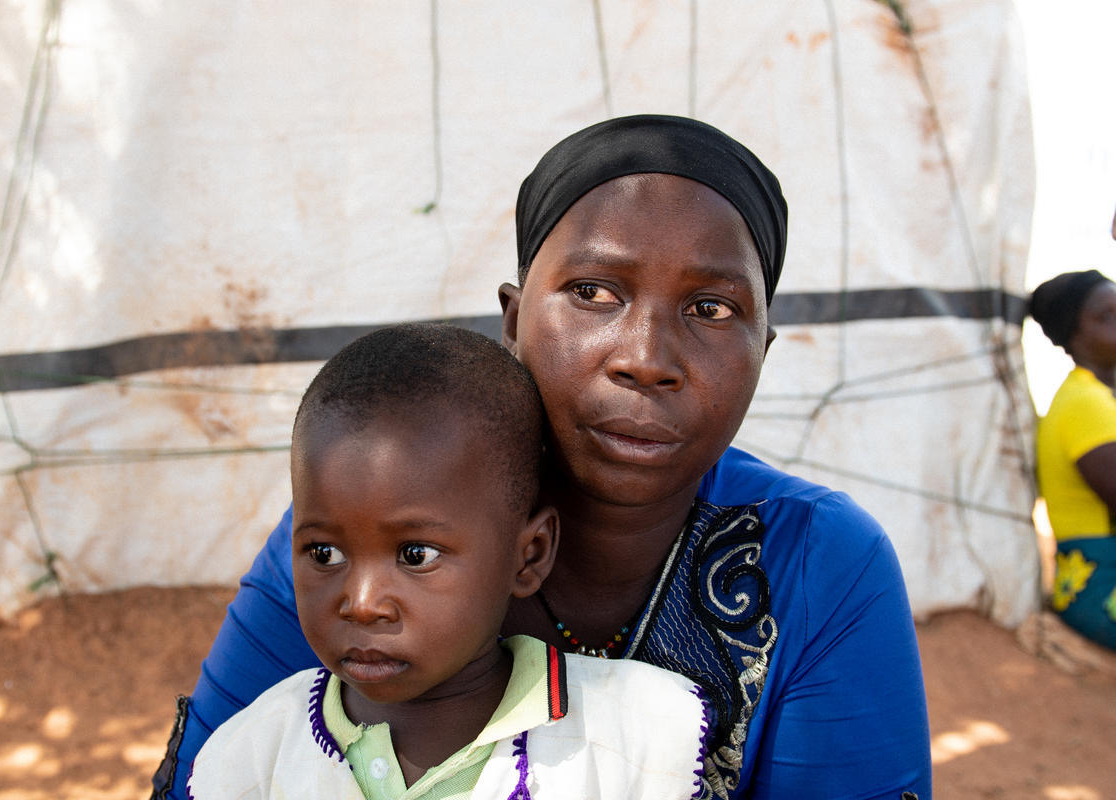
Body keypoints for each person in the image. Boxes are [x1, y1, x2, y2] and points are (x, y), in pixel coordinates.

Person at [153, 115, 932, 800]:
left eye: (711, 308)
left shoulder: (820, 567)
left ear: (763, 349)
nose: (646, 357)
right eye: (594, 292)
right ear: (515, 320)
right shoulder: (368, 532)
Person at [187, 324, 714, 799]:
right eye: (325, 553)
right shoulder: (253, 759)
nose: (363, 603)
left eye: (415, 555)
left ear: (528, 555)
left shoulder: (627, 741)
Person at [1029, 270, 1116, 650]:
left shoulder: (1097, 397)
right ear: (1073, 337)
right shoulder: (1084, 403)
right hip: (1099, 587)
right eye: (1106, 317)